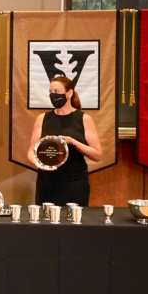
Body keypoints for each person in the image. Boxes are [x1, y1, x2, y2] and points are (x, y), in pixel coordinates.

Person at [27, 75, 101, 206]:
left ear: (69, 93)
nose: (53, 95)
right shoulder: (42, 118)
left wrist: (74, 142)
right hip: (46, 182)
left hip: (74, 182)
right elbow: (31, 151)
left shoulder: (83, 119)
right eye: (50, 92)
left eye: (56, 92)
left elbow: (96, 155)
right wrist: (37, 163)